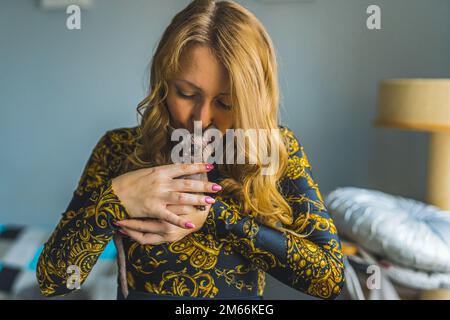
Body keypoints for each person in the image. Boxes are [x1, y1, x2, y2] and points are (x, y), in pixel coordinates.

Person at [36, 0, 345, 300]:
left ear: (252, 100)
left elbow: (329, 279)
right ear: (163, 82)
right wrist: (112, 202)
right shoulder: (118, 149)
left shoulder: (274, 150)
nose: (201, 119)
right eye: (186, 93)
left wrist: (214, 217)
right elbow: (53, 280)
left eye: (226, 102)